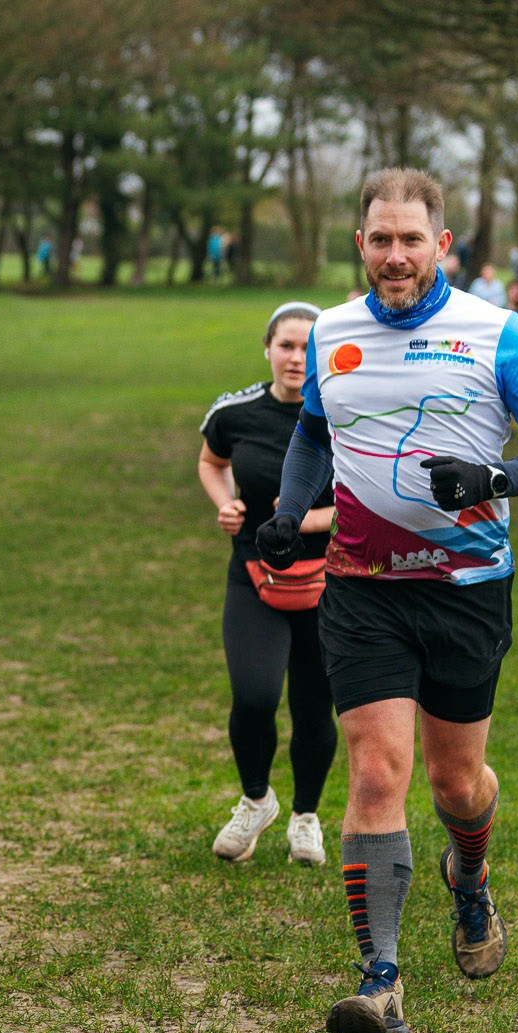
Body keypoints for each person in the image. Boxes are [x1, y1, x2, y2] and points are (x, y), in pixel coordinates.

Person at [255, 168, 518, 1033]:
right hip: (363, 587)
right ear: (358, 244)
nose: (394, 256)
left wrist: (495, 476)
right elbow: (314, 435)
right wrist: (291, 513)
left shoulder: (496, 332)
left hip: (467, 591)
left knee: (456, 782)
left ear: (442, 245)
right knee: (374, 772)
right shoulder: (333, 332)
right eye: (379, 240)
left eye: (411, 240)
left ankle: (469, 878)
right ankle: (381, 978)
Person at [197, 301, 337, 866]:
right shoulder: (235, 412)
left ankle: (306, 815)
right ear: (268, 348)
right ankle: (256, 800)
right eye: (287, 345)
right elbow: (211, 462)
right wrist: (225, 503)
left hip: (328, 582)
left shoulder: (345, 413)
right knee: (253, 697)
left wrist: (309, 519)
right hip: (253, 575)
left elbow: (370, 499)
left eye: (309, 347)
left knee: (312, 708)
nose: (297, 358)